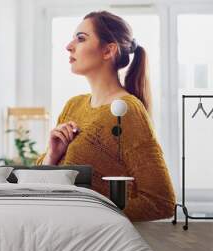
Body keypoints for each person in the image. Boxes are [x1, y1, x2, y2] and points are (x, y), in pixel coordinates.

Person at [35, 11, 176, 221]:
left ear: (108, 50)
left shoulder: (128, 111)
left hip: (91, 244)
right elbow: (37, 187)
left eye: (81, 38)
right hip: (56, 234)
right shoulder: (73, 105)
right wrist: (52, 157)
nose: (69, 45)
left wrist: (93, 218)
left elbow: (161, 201)